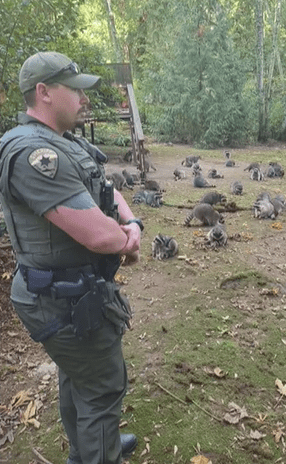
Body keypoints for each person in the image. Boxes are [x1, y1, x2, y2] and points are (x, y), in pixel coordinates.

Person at [0, 51, 143, 464]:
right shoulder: (33, 155)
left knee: (79, 375)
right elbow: (98, 236)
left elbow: (107, 190)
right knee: (102, 386)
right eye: (74, 90)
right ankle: (100, 453)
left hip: (74, 293)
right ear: (43, 93)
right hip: (58, 297)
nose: (84, 100)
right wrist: (124, 240)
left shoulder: (65, 141)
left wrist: (133, 224)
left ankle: (91, 450)